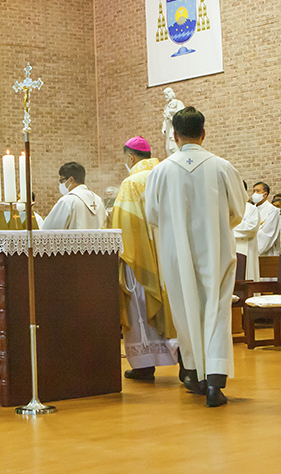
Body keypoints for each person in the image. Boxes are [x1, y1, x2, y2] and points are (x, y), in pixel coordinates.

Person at [144, 107, 246, 407]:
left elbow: (152, 215)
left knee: (185, 309)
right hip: (216, 248)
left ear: (174, 136)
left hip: (175, 251)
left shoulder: (161, 171)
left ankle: (194, 375)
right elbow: (238, 211)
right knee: (216, 308)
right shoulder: (222, 167)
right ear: (203, 133)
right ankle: (215, 381)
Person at [112, 136, 179, 381]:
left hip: (143, 257)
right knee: (176, 306)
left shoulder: (131, 183)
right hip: (172, 255)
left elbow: (123, 226)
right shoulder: (169, 175)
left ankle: (144, 365)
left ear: (130, 158)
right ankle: (186, 363)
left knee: (139, 307)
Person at [42, 162, 107, 230]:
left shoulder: (68, 201)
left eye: (61, 180)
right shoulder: (98, 200)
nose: (61, 184)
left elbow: (48, 230)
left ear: (71, 180)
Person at [233, 181, 261, 280]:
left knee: (247, 275)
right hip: (230, 248)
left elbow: (251, 228)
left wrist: (230, 229)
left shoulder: (251, 209)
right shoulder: (226, 208)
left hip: (247, 248)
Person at [252, 182, 280, 257]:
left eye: (258, 191)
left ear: (265, 194)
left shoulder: (273, 210)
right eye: (253, 191)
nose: (254, 194)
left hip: (266, 251)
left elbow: (268, 233)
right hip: (250, 248)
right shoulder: (251, 209)